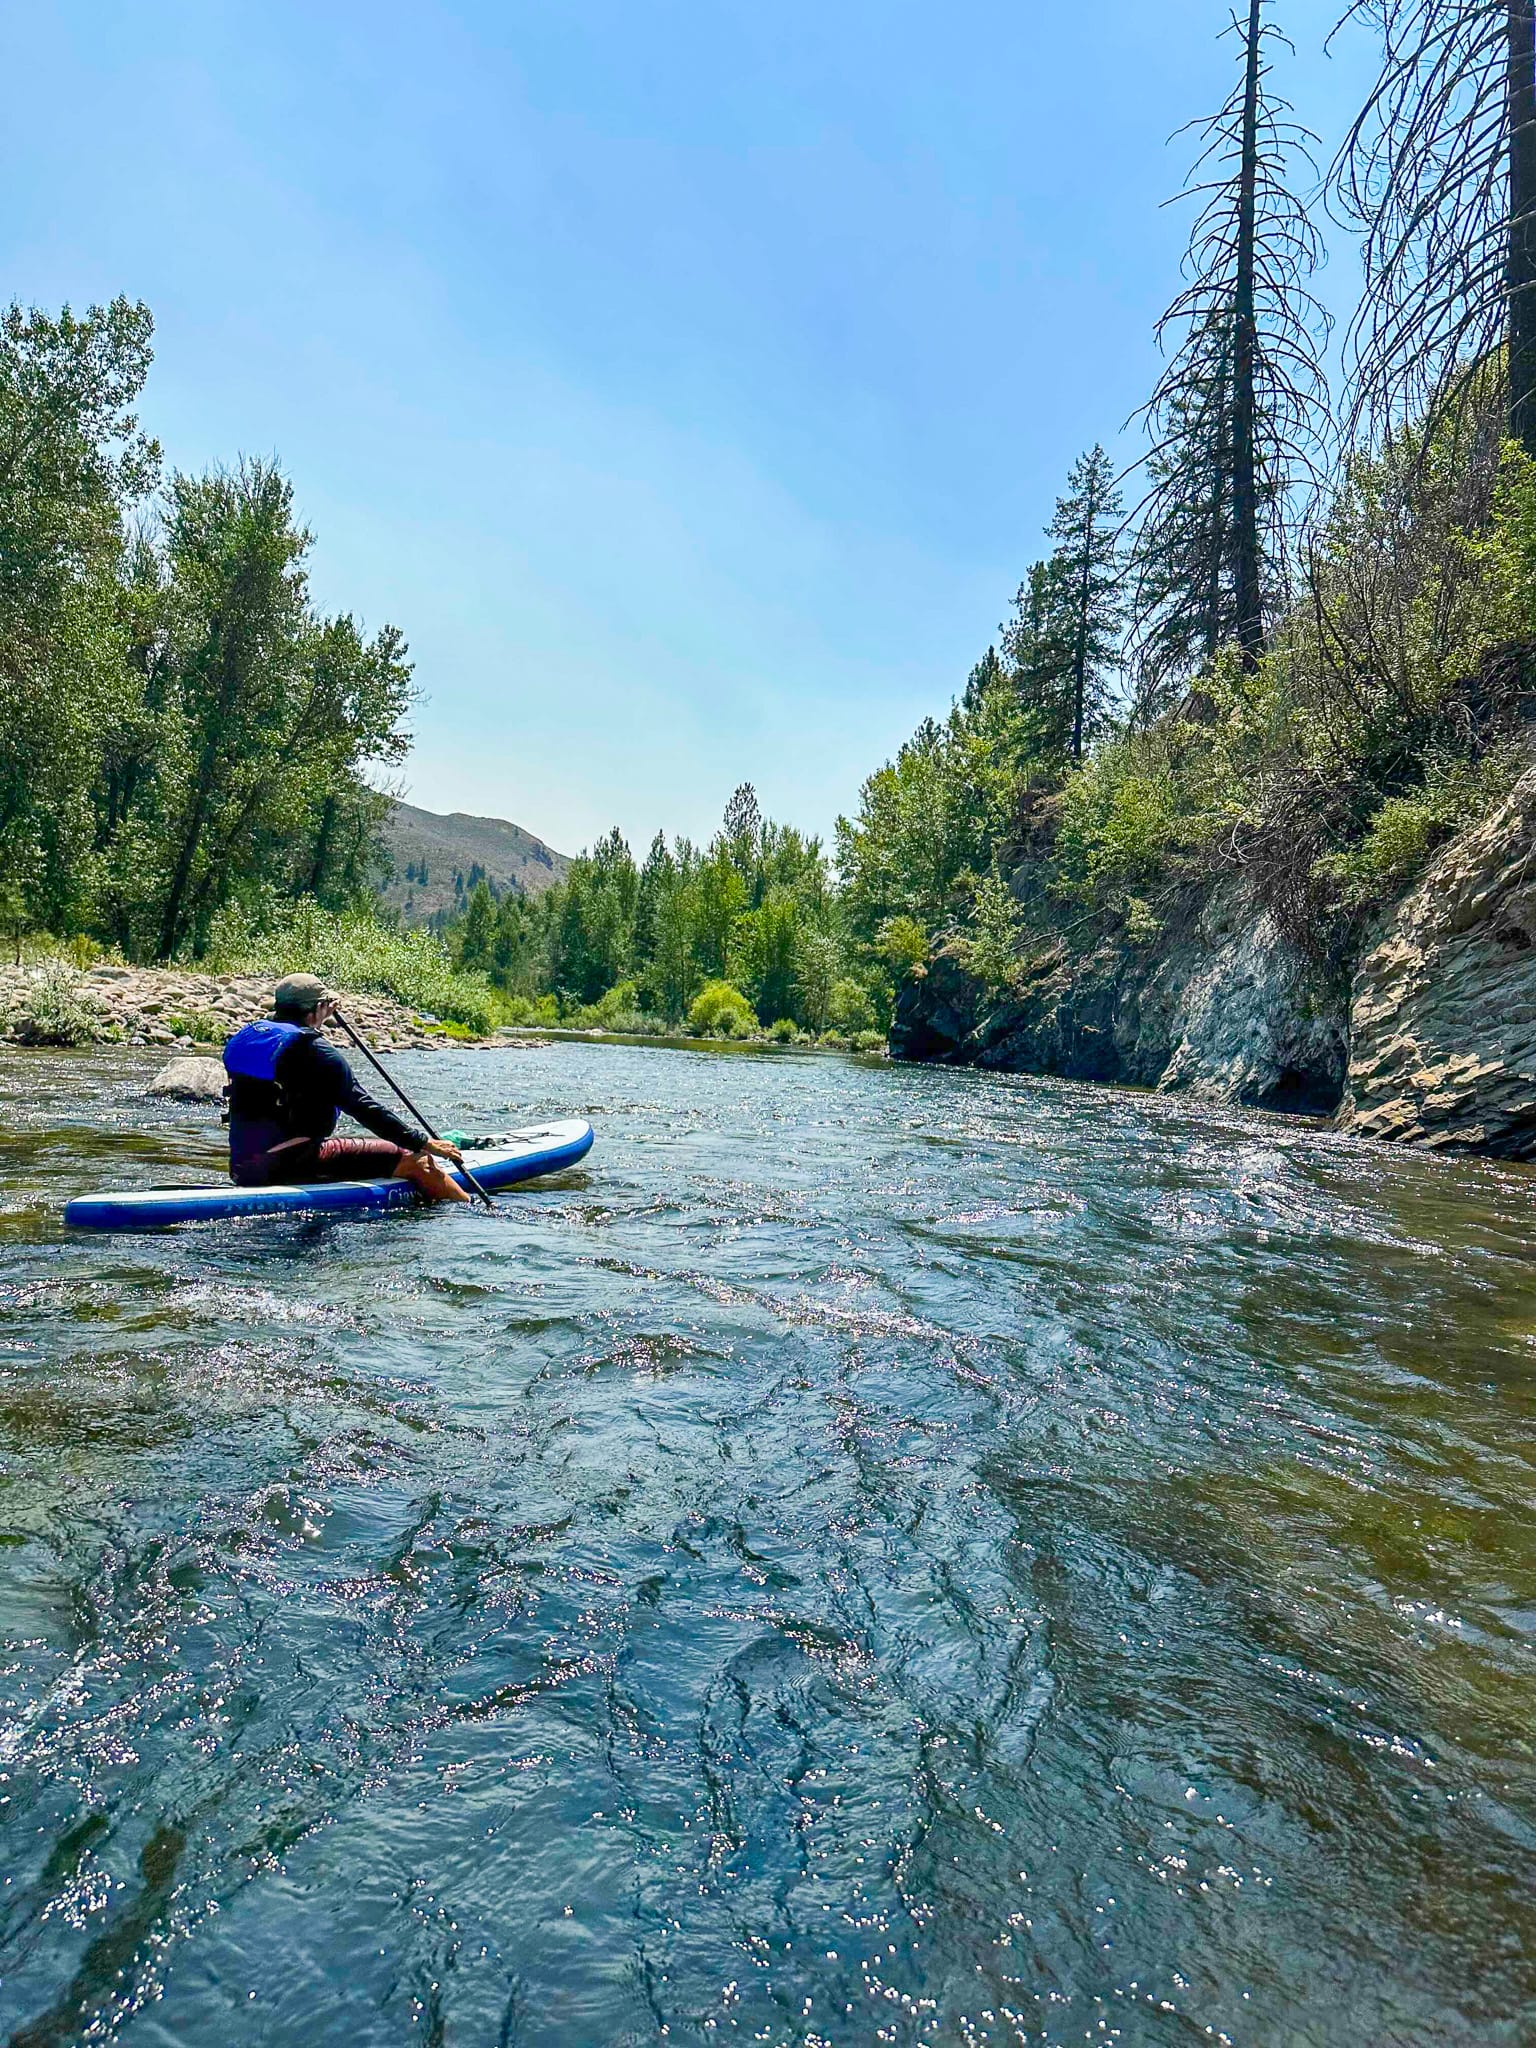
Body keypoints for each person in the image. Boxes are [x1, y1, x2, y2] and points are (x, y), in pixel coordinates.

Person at [222, 973, 471, 1202]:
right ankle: (464, 1211)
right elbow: (364, 1108)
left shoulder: (246, 1039)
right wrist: (424, 1143)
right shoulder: (317, 1053)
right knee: (417, 1161)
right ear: (320, 1007)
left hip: (242, 1167)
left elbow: (287, 1073)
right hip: (289, 1164)